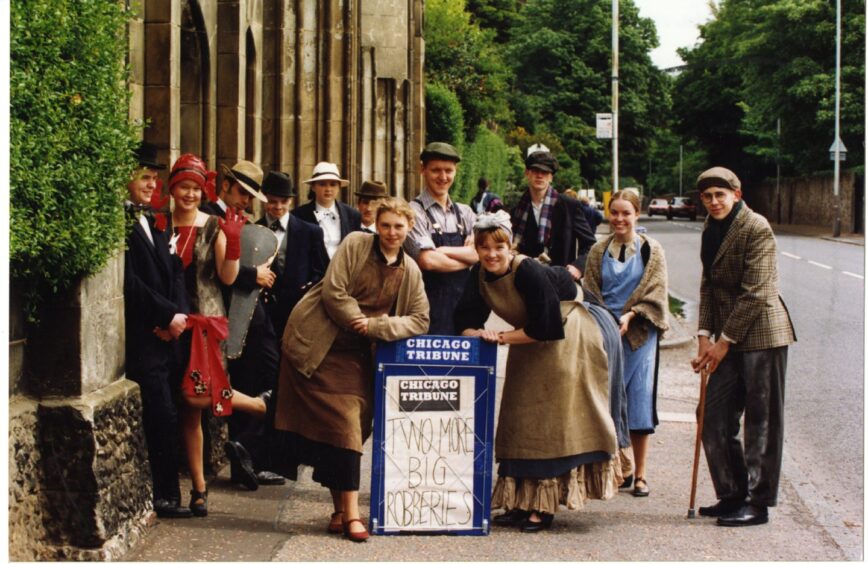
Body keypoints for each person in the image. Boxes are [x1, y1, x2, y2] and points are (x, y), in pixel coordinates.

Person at [272, 197, 429, 542]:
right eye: (385, 225)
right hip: (320, 347)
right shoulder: (355, 243)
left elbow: (420, 319)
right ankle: (353, 516)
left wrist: (376, 327)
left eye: (398, 227)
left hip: (359, 356)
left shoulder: (411, 269)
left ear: (408, 229)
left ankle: (339, 510)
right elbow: (333, 290)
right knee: (342, 427)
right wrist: (356, 318)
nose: (391, 232)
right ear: (377, 225)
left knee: (352, 429)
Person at [455, 211, 619, 533]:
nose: (491, 254)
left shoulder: (527, 269)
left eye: (498, 247)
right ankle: (520, 501)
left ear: (510, 247)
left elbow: (546, 328)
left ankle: (543, 506)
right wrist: (472, 332)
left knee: (550, 418)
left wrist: (498, 337)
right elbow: (464, 318)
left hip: (567, 330)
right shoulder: (478, 274)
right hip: (529, 333)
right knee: (518, 413)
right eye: (484, 247)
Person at [162, 153, 268, 517]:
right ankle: (199, 488)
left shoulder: (213, 225)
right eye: (183, 187)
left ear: (202, 190)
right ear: (173, 189)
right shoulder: (159, 225)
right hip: (169, 326)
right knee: (187, 410)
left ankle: (259, 405)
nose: (190, 194)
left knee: (195, 398)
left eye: (195, 188)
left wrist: (234, 242)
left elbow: (225, 276)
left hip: (206, 323)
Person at [690, 167, 795, 527]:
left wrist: (722, 343)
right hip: (725, 339)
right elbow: (709, 285)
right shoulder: (710, 227)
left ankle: (757, 502)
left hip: (763, 335)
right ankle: (732, 493)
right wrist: (704, 334)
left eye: (720, 194)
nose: (714, 202)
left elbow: (756, 294)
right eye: (707, 197)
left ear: (737, 193)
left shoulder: (756, 227)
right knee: (711, 416)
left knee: (762, 422)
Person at [223, 171, 330, 487]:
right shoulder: (249, 230)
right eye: (271, 201)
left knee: (280, 388)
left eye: (283, 202)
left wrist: (302, 295)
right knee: (249, 381)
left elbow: (322, 273)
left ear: (291, 201)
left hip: (293, 320)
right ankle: (241, 462)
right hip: (254, 320)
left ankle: (260, 455)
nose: (277, 207)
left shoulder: (309, 231)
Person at [583, 190, 669, 498]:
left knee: (639, 403)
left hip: (640, 335)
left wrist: (632, 314)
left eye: (626, 213)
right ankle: (616, 467)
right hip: (606, 334)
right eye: (614, 213)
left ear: (637, 215)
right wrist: (606, 320)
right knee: (606, 401)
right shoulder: (597, 250)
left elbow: (657, 294)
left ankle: (642, 474)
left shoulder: (651, 250)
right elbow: (591, 291)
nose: (619, 219)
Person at [123, 141, 191, 518]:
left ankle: (168, 493)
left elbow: (175, 271)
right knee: (161, 415)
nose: (152, 185)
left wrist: (178, 317)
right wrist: (165, 317)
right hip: (145, 338)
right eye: (145, 177)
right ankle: (165, 497)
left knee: (171, 414)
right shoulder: (121, 223)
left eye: (154, 178)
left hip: (168, 337)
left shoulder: (151, 220)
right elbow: (129, 283)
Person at [404, 142, 477, 335]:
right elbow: (427, 261)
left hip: (466, 309)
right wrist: (467, 259)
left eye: (448, 170)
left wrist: (444, 251)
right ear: (423, 170)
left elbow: (481, 253)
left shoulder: (466, 212)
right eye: (436, 170)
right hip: (427, 309)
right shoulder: (413, 212)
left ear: (456, 171)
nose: (443, 177)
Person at [510, 150, 596, 282]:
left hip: (560, 280)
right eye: (535, 170)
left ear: (551, 177)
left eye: (545, 172)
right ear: (527, 173)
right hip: (526, 280)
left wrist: (578, 267)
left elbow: (590, 244)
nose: (540, 175)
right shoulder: (517, 209)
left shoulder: (569, 205)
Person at [292, 162, 362, 258]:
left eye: (333, 184)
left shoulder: (352, 215)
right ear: (313, 187)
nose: (328, 189)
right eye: (322, 184)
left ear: (339, 187)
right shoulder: (298, 216)